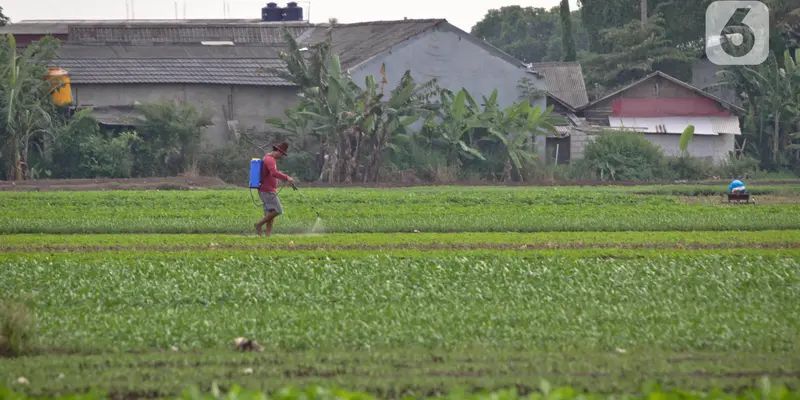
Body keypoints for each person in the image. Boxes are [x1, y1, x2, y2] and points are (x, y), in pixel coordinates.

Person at [255, 142, 294, 236]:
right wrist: (287, 177)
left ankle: (268, 236)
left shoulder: (269, 158)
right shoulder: (270, 159)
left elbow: (272, 174)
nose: (282, 156)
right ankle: (258, 224)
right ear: (278, 151)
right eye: (282, 154)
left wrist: (283, 180)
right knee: (278, 210)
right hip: (267, 190)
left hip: (267, 190)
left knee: (270, 215)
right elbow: (273, 173)